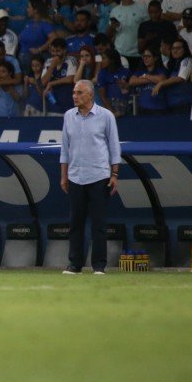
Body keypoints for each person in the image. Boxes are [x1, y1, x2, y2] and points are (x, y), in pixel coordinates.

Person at [60, 79, 121, 275]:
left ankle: (99, 266)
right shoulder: (69, 116)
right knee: (75, 223)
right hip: (75, 176)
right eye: (73, 93)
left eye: (78, 93)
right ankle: (75, 264)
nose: (74, 96)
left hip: (99, 176)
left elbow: (114, 147)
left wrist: (114, 174)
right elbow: (65, 149)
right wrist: (64, 176)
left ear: (90, 95)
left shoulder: (106, 116)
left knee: (99, 224)